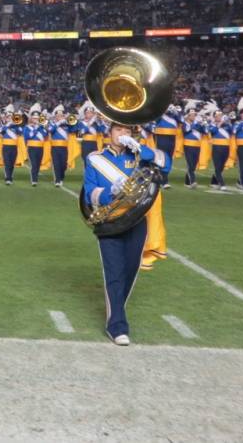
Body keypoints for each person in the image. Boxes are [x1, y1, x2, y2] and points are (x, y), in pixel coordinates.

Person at [82, 122, 169, 346]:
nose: (123, 134)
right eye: (118, 130)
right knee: (114, 272)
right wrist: (109, 193)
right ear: (109, 133)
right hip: (110, 221)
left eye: (127, 131)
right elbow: (89, 192)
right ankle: (117, 325)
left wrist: (140, 147)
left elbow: (166, 164)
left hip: (137, 220)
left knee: (130, 270)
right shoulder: (95, 158)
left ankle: (117, 312)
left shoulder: (141, 154)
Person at [23, 107, 47, 187]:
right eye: (34, 118)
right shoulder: (27, 128)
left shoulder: (41, 128)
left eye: (37, 118)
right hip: (32, 148)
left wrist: (42, 126)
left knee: (38, 164)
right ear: (31, 119)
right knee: (34, 164)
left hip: (40, 147)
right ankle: (34, 180)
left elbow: (45, 135)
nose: (36, 120)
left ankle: (35, 176)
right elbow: (29, 136)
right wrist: (35, 128)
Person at [181, 107, 204, 188]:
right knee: (190, 164)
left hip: (197, 145)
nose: (193, 116)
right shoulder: (185, 124)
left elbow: (204, 132)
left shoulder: (197, 124)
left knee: (193, 165)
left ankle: (187, 182)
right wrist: (194, 125)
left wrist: (203, 124)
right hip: (188, 145)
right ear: (188, 116)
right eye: (192, 115)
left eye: (194, 115)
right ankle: (193, 182)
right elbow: (185, 131)